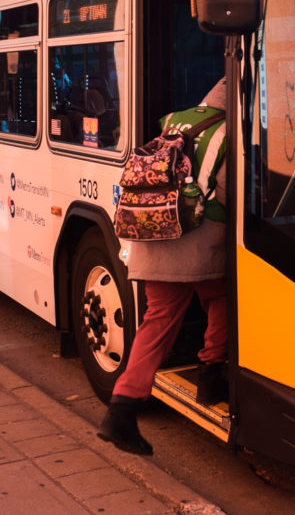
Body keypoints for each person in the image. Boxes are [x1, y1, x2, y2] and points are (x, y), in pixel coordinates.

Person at [98, 78, 230, 456]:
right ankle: (208, 374)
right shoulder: (229, 131)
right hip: (198, 239)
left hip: (151, 231)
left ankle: (121, 411)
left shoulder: (174, 119)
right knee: (222, 298)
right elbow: (228, 193)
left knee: (157, 320)